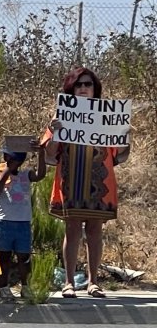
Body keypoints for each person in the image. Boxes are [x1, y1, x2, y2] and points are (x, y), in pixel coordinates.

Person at [42, 67, 129, 299]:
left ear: (94, 88)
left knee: (94, 230)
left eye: (87, 84)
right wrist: (54, 130)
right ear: (71, 88)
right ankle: (69, 282)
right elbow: (49, 154)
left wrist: (123, 133)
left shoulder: (108, 116)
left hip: (99, 182)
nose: (83, 88)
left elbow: (120, 154)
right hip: (72, 180)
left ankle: (93, 282)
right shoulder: (62, 115)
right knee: (71, 231)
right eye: (78, 84)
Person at [0, 143, 47, 300]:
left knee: (24, 257)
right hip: (3, 222)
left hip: (22, 222)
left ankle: (25, 286)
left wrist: (41, 154)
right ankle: (3, 286)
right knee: (4, 257)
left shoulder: (25, 175)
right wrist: (6, 172)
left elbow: (40, 175)